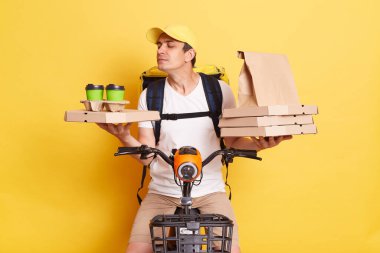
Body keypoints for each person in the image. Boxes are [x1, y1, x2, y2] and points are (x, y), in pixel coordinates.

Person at [97, 24, 292, 253]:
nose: (161, 50)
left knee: (231, 250)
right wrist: (124, 136)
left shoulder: (219, 92)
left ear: (189, 55)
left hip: (210, 191)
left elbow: (233, 142)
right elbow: (147, 156)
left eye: (170, 45)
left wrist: (259, 144)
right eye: (159, 45)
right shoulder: (151, 95)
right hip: (162, 192)